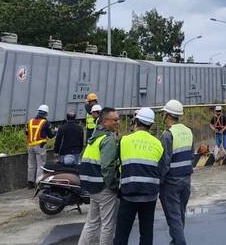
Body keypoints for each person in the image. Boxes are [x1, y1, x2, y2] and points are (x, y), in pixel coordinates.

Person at [114, 107, 163, 245]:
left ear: (135, 121)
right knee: (146, 233)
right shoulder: (158, 144)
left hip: (128, 193)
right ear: (151, 125)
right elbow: (160, 168)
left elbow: (117, 164)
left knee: (122, 234)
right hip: (150, 195)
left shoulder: (124, 141)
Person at [79, 107, 121, 245]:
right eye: (115, 120)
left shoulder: (94, 138)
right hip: (104, 188)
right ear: (104, 121)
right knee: (107, 225)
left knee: (92, 223)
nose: (118, 122)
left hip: (92, 186)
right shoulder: (108, 140)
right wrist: (114, 185)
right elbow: (108, 167)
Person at [158, 100, 193, 245]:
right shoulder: (188, 131)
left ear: (167, 115)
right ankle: (176, 241)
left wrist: (159, 182)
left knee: (173, 217)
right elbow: (191, 155)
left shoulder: (168, 135)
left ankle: (179, 242)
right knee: (179, 215)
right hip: (186, 179)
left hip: (171, 182)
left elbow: (164, 163)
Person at [27, 104, 56, 188]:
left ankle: (30, 183)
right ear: (46, 113)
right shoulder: (45, 122)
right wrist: (55, 132)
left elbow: (26, 133)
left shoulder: (31, 121)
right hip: (40, 146)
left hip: (30, 146)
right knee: (41, 165)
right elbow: (50, 135)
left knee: (31, 164)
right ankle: (39, 183)